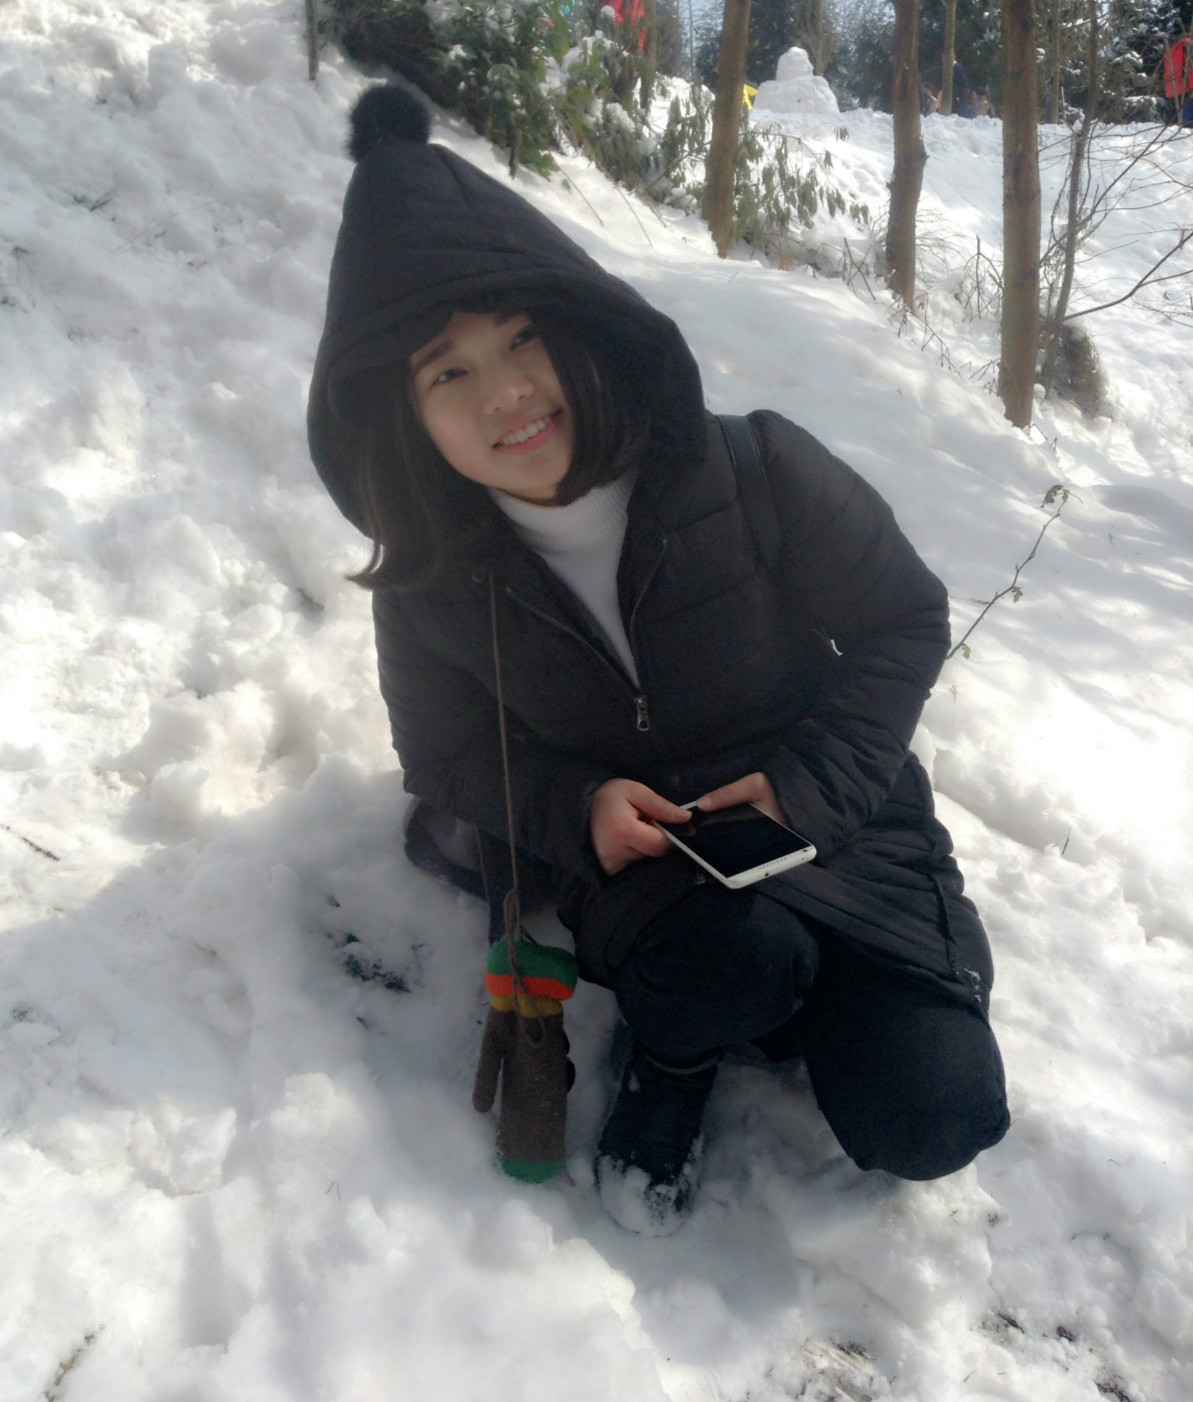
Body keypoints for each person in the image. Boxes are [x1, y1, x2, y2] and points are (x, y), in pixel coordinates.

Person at [308, 87, 1010, 1235]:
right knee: (731, 960)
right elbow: (442, 756)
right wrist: (576, 807)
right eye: (447, 372)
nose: (504, 393)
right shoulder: (431, 587)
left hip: (840, 822)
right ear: (405, 415)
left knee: (931, 1114)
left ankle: (797, 997)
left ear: (579, 326)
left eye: (520, 337)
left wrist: (808, 786)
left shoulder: (753, 467)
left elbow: (902, 618)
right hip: (649, 882)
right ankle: (675, 1059)